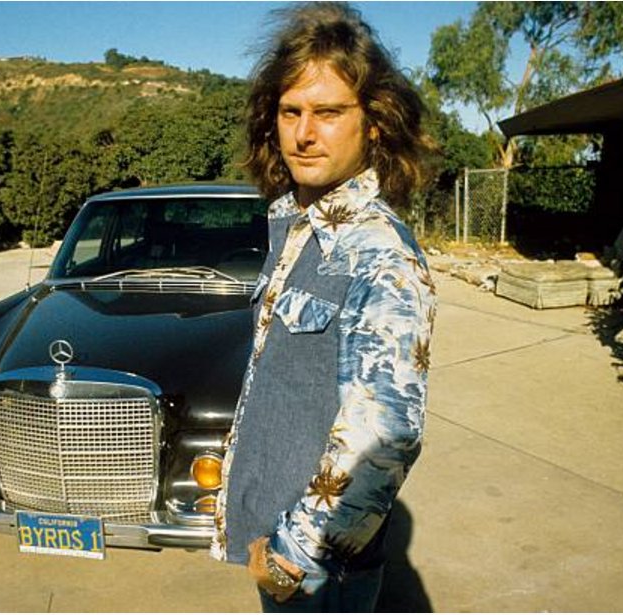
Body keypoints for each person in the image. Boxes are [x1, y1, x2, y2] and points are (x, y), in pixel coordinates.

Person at [210, 2, 437, 612]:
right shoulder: (294, 225)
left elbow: (386, 435)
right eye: (291, 112)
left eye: (329, 112)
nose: (304, 133)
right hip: (280, 551)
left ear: (376, 124)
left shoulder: (381, 254)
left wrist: (292, 555)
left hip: (318, 576)